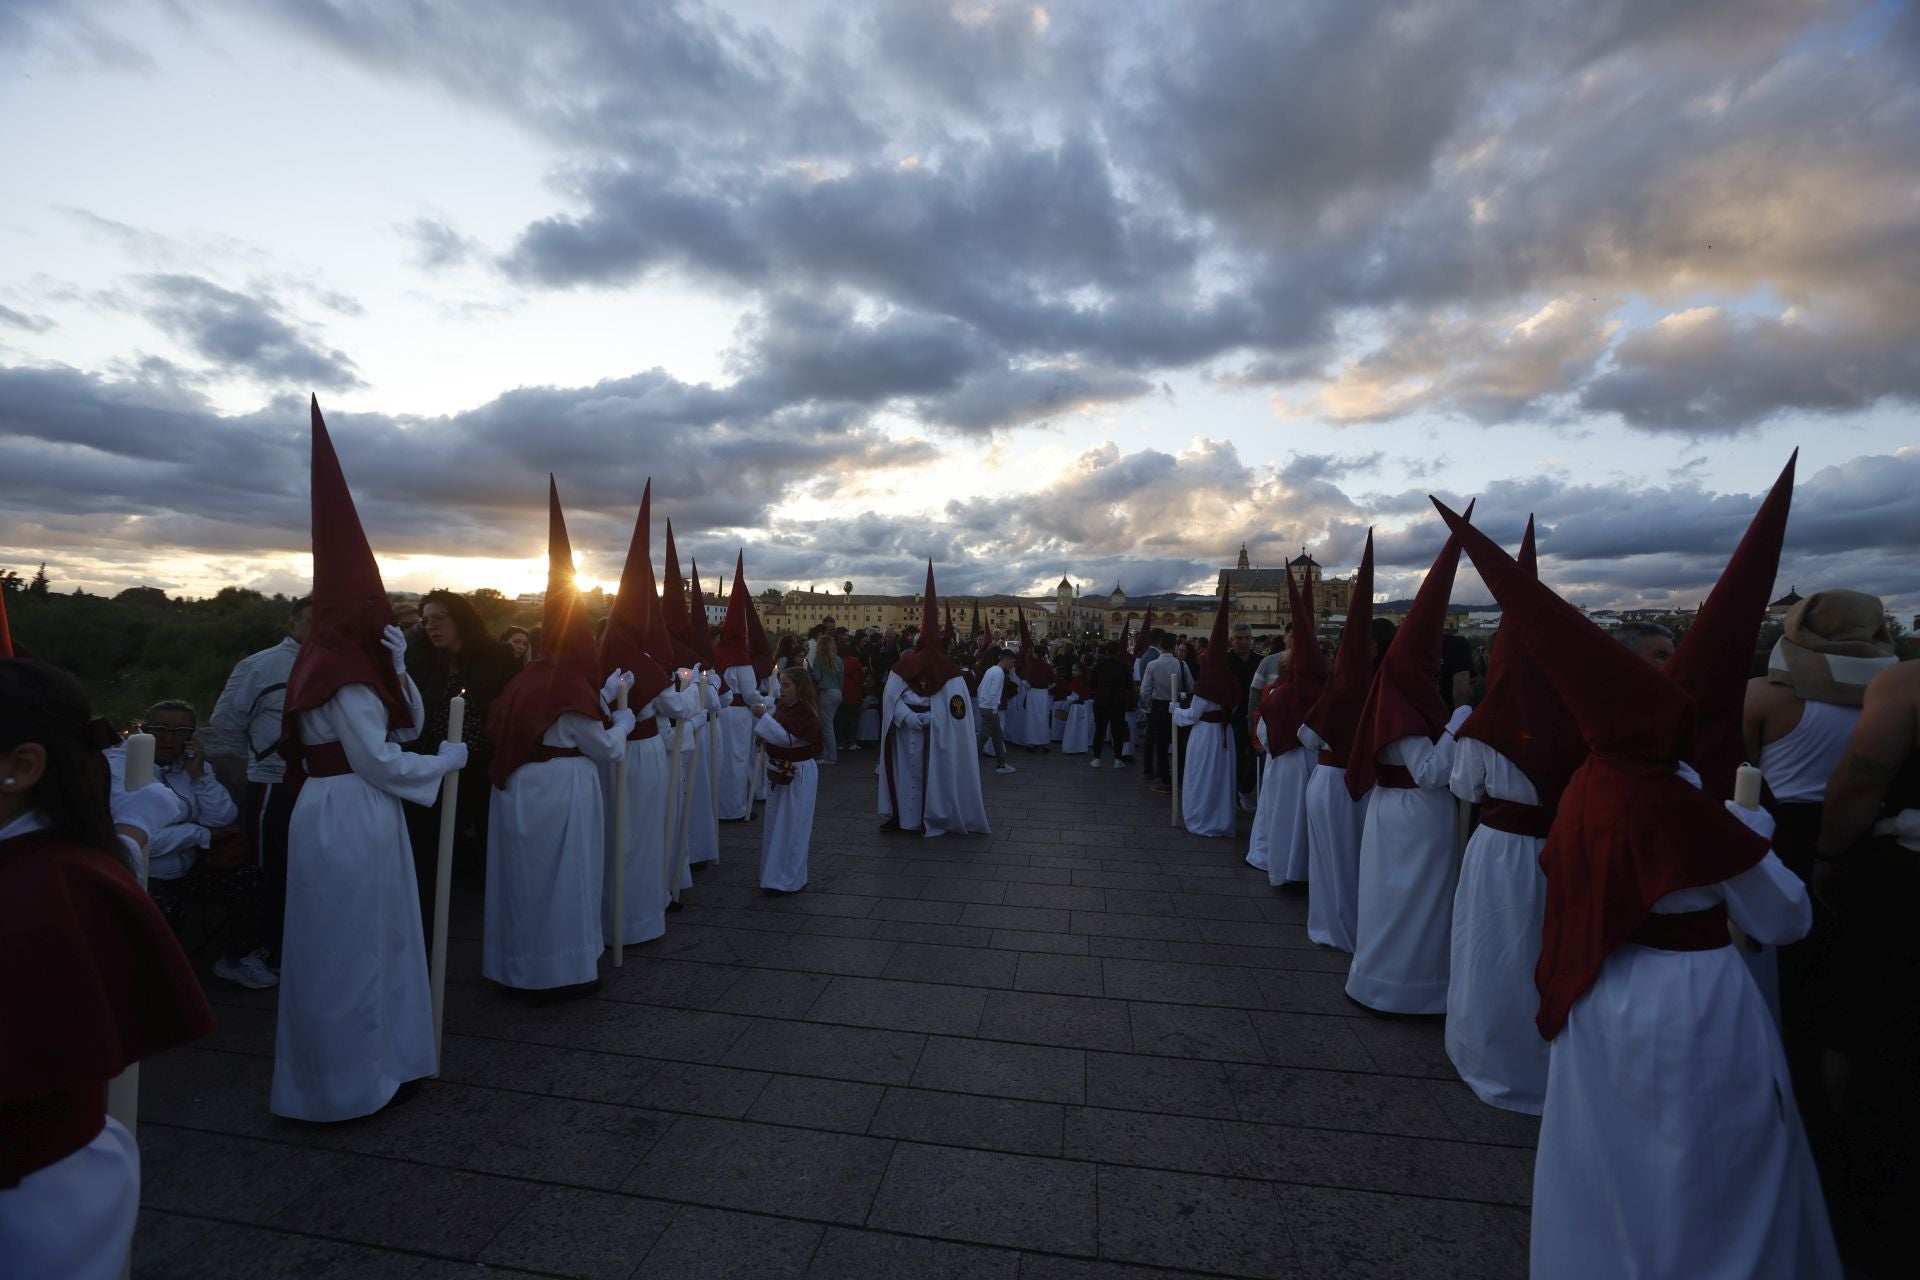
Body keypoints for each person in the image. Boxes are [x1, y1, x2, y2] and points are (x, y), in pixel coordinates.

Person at [1437, 496, 1840, 1280]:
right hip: (1691, 1000)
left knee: (1602, 1150)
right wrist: (1752, 836)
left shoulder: (1592, 784)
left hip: (1597, 988)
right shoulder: (1690, 810)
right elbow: (1783, 919)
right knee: (1701, 1160)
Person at [273, 398, 465, 1123]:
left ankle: (371, 1065)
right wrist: (446, 764)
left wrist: (402, 667)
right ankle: (359, 1078)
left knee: (356, 942)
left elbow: (404, 719)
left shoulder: (336, 662)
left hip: (336, 811)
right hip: (352, 809)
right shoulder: (343, 675)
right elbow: (384, 757)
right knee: (357, 949)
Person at [0, 658, 216, 1280]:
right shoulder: (61, 870)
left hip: (30, 1198)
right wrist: (135, 831)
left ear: (20, 767)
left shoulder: (44, 889)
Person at [1743, 590, 1896, 1149]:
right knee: (1852, 970)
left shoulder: (1764, 694)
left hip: (1785, 833)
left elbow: (1745, 770)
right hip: (1870, 837)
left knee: (1786, 964)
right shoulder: (1895, 693)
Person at [1444, 519, 1585, 1115]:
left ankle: (1490, 1056)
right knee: (1545, 953)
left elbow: (1463, 786)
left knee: (1493, 952)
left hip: (1501, 848)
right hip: (1563, 852)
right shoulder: (1583, 715)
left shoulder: (1485, 725)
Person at [483, 481, 630, 998]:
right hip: (564, 790)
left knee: (525, 881)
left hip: (519, 789)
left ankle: (516, 966)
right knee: (565, 879)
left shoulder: (525, 679)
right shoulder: (569, 686)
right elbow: (605, 748)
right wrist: (625, 721)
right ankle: (562, 970)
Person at [1343, 518, 1473, 1016]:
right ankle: (1409, 987)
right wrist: (1462, 718)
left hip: (1391, 812)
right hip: (1415, 815)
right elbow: (1431, 772)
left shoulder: (1392, 699)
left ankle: (1381, 979)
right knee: (1413, 902)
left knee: (1391, 898)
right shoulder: (1405, 709)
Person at [1817, 657, 1920, 1272]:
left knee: (1877, 1038)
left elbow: (1858, 783)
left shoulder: (1906, 683)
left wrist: (1828, 855)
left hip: (1906, 883)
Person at [105, 699, 274, 988]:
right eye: (159, 729)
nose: (169, 738)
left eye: (180, 730)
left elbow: (222, 818)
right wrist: (200, 834)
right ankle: (153, 981)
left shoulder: (188, 767)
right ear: (142, 730)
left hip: (186, 867)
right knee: (169, 910)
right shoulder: (119, 770)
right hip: (145, 873)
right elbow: (144, 839)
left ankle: (237, 959)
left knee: (250, 880)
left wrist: (199, 775)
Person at [403, 588, 519, 943]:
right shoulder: (420, 659)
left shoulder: (497, 656)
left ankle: (502, 925)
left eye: (440, 618)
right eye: (426, 621)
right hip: (434, 766)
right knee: (427, 847)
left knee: (491, 842)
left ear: (460, 618)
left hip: (482, 764)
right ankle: (425, 925)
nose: (432, 626)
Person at [209, 593, 309, 967]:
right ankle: (264, 949)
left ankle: (295, 946)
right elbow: (225, 722)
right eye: (311, 622)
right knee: (270, 867)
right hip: (274, 784)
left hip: (316, 784)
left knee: (306, 868)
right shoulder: (261, 666)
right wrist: (262, 758)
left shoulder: (335, 664)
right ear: (292, 625)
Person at [1296, 535, 1379, 953]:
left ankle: (1332, 926)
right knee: (1357, 861)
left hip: (1330, 781)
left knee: (1330, 860)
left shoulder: (1338, 693)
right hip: (1367, 787)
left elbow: (1308, 736)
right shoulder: (1381, 691)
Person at [878, 563, 990, 836]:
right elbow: (891, 698)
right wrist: (909, 717)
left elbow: (957, 711)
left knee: (930, 777)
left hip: (933, 735)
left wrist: (929, 717)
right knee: (906, 776)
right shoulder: (912, 669)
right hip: (907, 733)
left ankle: (930, 817)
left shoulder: (950, 673)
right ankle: (906, 819)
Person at [1249, 567, 1328, 887]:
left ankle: (1285, 866)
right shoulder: (1322, 678)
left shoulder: (1284, 685)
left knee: (1284, 815)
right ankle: (1297, 867)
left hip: (1287, 758)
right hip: (1307, 759)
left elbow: (1269, 719)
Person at [1172, 593, 1241, 837]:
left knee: (1202, 778)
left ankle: (1202, 819)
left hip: (1205, 736)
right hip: (1225, 736)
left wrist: (1175, 711)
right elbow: (1233, 707)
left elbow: (1193, 715)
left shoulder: (1207, 682)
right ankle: (1221, 820)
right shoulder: (1231, 680)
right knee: (1221, 781)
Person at [714, 554, 774, 822]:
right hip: (738, 716)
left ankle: (719, 806)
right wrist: (770, 701)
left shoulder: (717, 653)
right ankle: (734, 808)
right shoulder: (741, 660)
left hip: (719, 715)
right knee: (737, 761)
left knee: (722, 760)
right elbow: (751, 696)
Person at [752, 666, 822, 894]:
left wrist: (764, 720)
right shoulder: (786, 708)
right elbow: (777, 734)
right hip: (782, 770)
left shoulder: (804, 712)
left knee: (792, 825)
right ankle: (773, 874)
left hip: (799, 772)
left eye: (786, 685)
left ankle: (787, 879)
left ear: (799, 688)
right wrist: (764, 738)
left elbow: (786, 738)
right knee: (777, 824)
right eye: (780, 684)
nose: (781, 690)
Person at [1225, 621, 1262, 812]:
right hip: (1235, 717)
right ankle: (1234, 796)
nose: (1244, 642)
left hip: (1256, 718)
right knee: (1237, 758)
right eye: (1239, 638)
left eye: (1247, 638)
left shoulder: (1260, 661)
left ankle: (1245, 790)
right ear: (1232, 640)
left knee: (1257, 758)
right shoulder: (1224, 661)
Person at [1140, 632, 1182, 794]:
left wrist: (1151, 704)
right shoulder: (1181, 665)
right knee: (1178, 744)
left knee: (1162, 746)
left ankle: (1164, 779)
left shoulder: (1153, 665)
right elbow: (1191, 686)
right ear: (1174, 647)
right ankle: (1179, 777)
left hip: (1159, 707)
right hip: (1177, 707)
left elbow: (1145, 691)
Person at [1088, 641, 1131, 768]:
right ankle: (1118, 759)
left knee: (1099, 731)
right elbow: (1128, 686)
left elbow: (1092, 684)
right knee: (1117, 731)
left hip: (1101, 701)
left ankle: (1096, 758)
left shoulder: (1099, 666)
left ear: (1106, 651)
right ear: (1118, 652)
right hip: (1118, 702)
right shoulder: (1124, 667)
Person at [974, 649, 1017, 775]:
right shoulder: (999, 673)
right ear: (1006, 659)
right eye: (1013, 662)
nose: (1013, 665)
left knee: (997, 737)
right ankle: (972, 763)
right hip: (990, 709)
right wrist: (993, 709)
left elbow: (980, 688)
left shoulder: (991, 670)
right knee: (982, 738)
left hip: (985, 707)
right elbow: (994, 693)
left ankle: (1001, 764)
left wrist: (982, 703)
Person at [809, 632, 844, 764]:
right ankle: (828, 754)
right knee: (830, 724)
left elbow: (817, 677)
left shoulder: (819, 658)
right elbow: (841, 678)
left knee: (826, 726)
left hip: (826, 692)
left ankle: (830, 757)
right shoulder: (838, 659)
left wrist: (809, 670)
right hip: (837, 692)